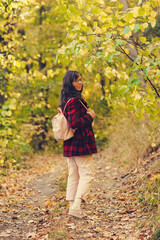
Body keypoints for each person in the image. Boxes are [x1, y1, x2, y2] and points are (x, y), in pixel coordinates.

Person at [59, 70, 97, 219]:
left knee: (74, 175)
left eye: (80, 80)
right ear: (70, 83)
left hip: (71, 142)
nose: (79, 83)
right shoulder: (74, 101)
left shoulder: (66, 100)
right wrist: (89, 116)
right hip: (80, 142)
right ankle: (76, 207)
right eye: (76, 80)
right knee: (88, 174)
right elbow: (75, 123)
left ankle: (72, 206)